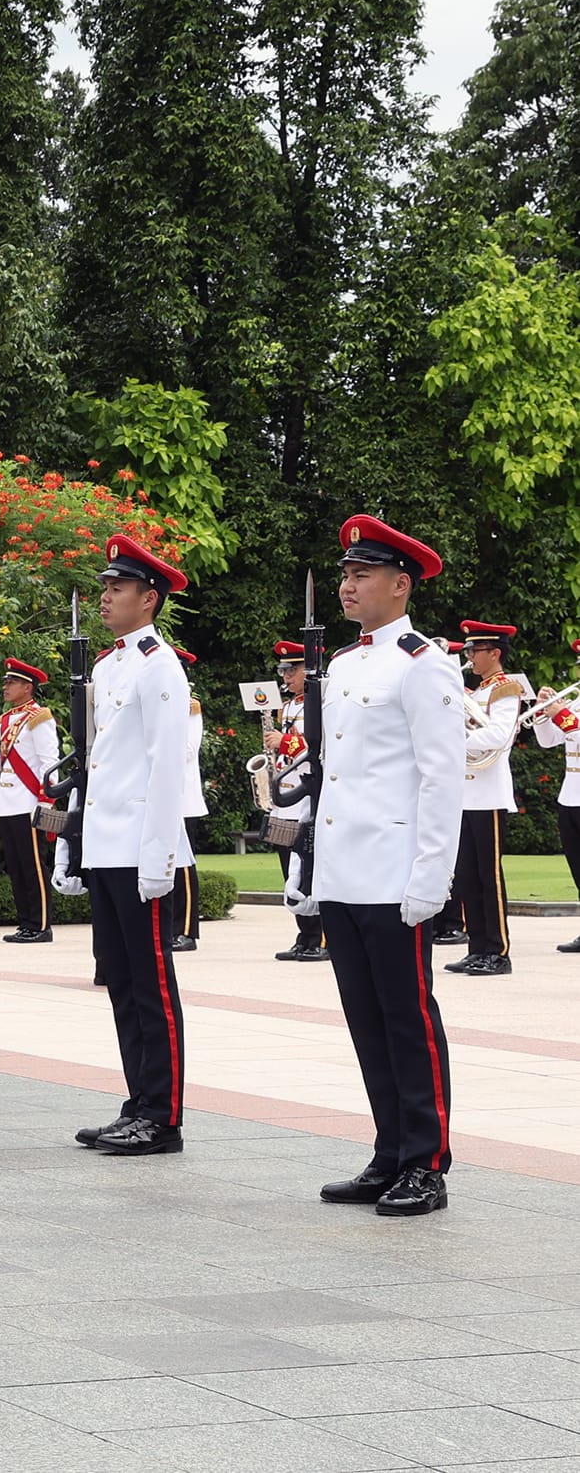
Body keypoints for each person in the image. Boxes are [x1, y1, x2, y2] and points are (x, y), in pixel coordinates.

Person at [292, 516, 462, 1216]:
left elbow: (441, 777)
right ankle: (390, 1149)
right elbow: (339, 778)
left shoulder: (426, 664)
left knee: (406, 1017)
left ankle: (426, 1160)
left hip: (395, 873)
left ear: (401, 584)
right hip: (345, 872)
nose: (347, 585)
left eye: (362, 575)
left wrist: (430, 877)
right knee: (366, 1018)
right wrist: (312, 873)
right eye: (344, 575)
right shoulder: (347, 663)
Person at [51, 537, 193, 1157]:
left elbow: (167, 767)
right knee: (121, 982)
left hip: (140, 850)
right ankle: (138, 1101)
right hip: (107, 846)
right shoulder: (109, 668)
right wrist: (74, 845)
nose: (105, 597)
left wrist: (160, 856)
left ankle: (162, 1116)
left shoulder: (160, 664)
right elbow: (95, 764)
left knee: (151, 985)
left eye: (117, 589)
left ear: (149, 598)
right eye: (105, 587)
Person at [450, 620, 522, 976]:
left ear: (494, 653)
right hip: (464, 793)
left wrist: (454, 743)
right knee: (465, 875)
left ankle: (498, 951)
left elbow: (498, 736)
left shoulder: (506, 689)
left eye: (473, 651)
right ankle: (476, 946)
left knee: (488, 876)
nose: (468, 657)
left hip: (489, 794)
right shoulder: (474, 692)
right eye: (467, 651)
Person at [0, 659, 57, 945]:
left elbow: (49, 762)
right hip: (8, 802)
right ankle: (26, 922)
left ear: (27, 687)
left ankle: (41, 925)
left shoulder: (38, 717)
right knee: (16, 866)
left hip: (28, 801)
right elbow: (0, 760)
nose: (6, 687)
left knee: (33, 866)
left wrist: (46, 800)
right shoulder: (5, 720)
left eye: (11, 682)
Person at [264, 641, 327, 962]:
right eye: (284, 671)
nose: (286, 677)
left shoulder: (322, 701)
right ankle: (303, 934)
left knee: (310, 867)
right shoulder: (288, 706)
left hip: (307, 797)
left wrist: (285, 741)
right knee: (287, 865)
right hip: (284, 798)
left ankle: (321, 936)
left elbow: (322, 746)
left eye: (293, 670)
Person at [533, 642, 580, 954]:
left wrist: (560, 713)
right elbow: (550, 741)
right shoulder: (575, 702)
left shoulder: (571, 708)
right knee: (577, 867)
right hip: (571, 793)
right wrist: (541, 712)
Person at [167, 646, 205, 953]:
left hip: (181, 796)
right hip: (161, 796)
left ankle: (187, 929)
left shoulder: (188, 706)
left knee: (183, 865)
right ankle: (170, 926)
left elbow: (188, 750)